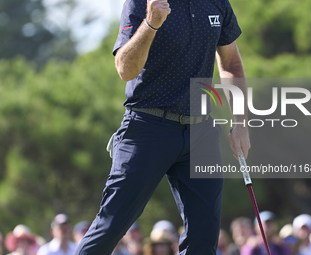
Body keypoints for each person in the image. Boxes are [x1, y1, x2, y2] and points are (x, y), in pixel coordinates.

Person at [74, 0, 250, 254]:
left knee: (203, 239)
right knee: (112, 225)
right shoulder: (142, 3)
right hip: (147, 127)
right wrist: (151, 23)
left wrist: (241, 124)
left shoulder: (217, 3)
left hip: (201, 132)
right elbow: (125, 69)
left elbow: (231, 64)